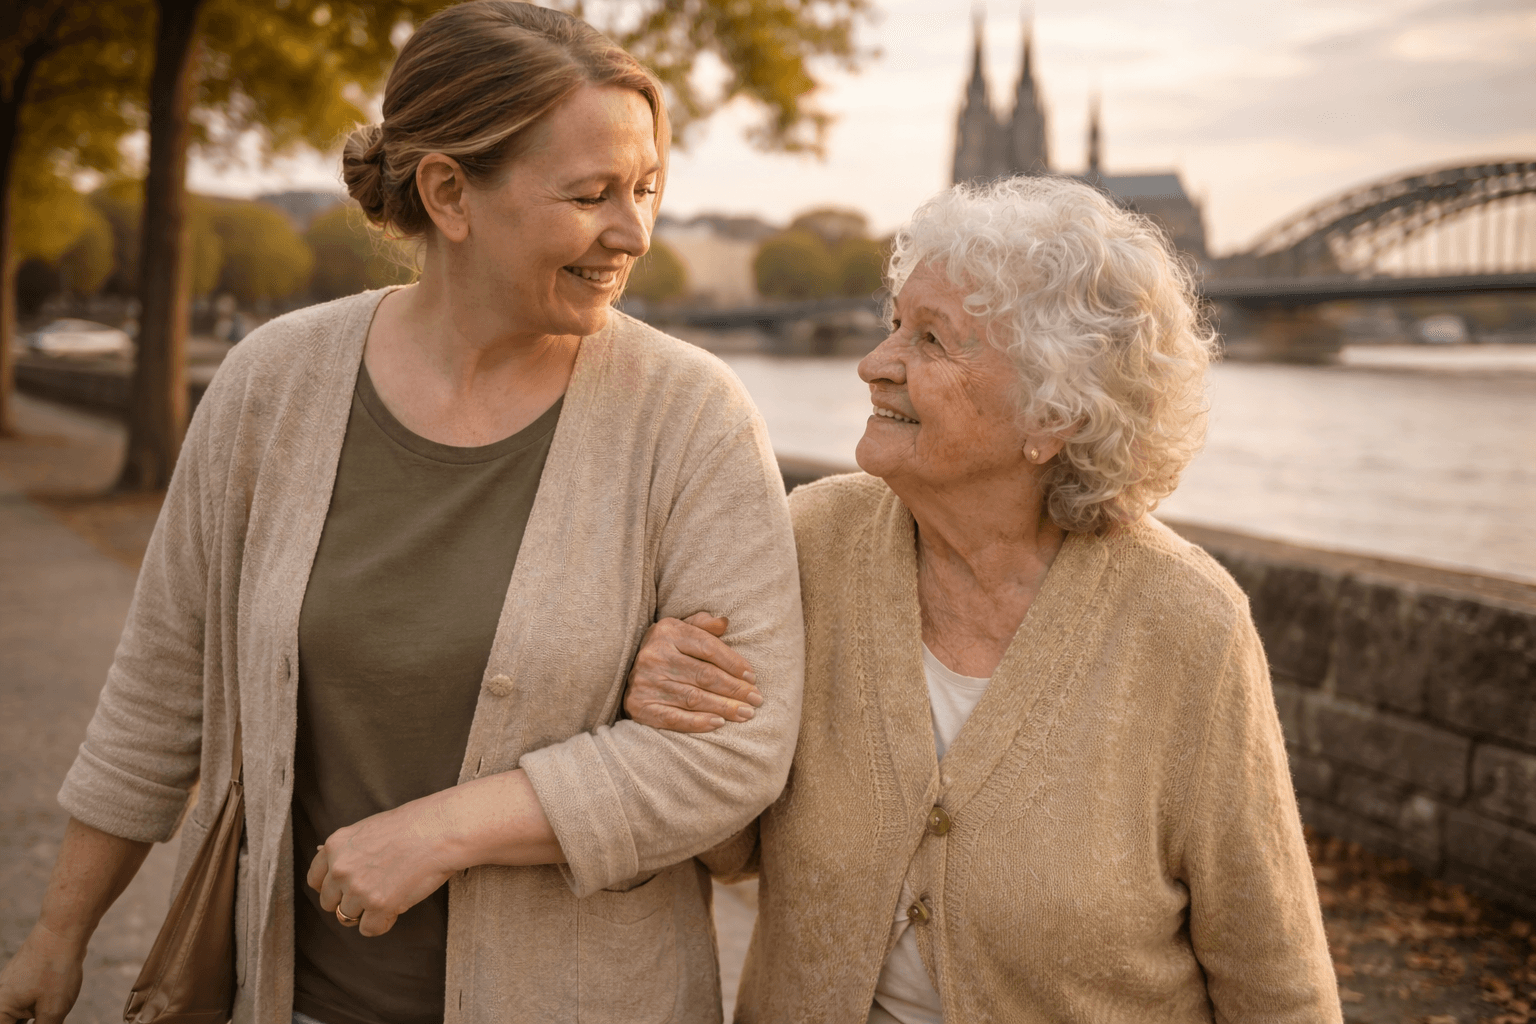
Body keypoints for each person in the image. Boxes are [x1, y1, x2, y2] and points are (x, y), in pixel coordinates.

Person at [0, 5, 802, 1024]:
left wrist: (442, 830)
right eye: (592, 194)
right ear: (449, 193)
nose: (635, 232)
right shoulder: (271, 385)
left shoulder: (692, 419)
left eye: (645, 188)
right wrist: (59, 937)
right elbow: (159, 690)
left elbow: (736, 751)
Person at [624, 176, 1343, 1022]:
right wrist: (682, 710)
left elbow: (1276, 981)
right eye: (894, 323)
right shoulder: (811, 540)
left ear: (1055, 413)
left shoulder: (1186, 624)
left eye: (931, 340)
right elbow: (732, 846)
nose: (874, 364)